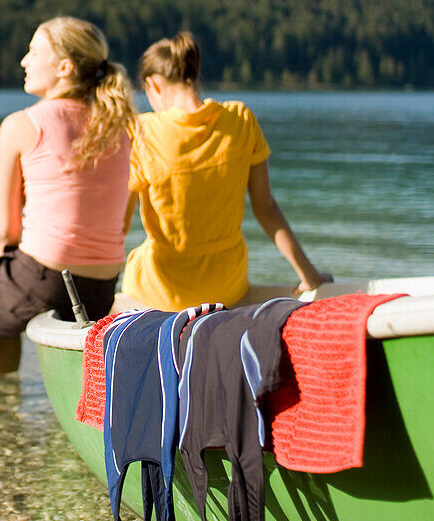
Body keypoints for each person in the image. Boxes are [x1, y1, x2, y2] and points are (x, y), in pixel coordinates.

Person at [0, 17, 135, 386]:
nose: (24, 60)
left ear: (64, 68)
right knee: (0, 313)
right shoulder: (119, 125)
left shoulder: (22, 124)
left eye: (34, 51)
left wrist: (3, 272)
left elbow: (5, 230)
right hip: (102, 283)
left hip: (45, 272)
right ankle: (5, 404)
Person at [121, 32, 331, 312]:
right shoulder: (241, 119)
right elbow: (266, 209)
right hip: (227, 287)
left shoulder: (141, 131)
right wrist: (310, 277)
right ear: (194, 76)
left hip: (163, 290)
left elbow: (117, 226)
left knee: (136, 264)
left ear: (152, 85)